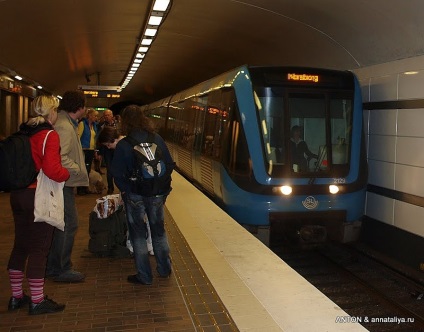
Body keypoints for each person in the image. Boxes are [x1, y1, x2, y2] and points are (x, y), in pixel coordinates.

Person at [7, 95, 69, 315]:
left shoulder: (23, 131)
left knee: (21, 245)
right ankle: (37, 300)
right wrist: (66, 173)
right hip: (38, 196)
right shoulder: (49, 135)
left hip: (18, 194)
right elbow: (52, 170)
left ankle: (16, 297)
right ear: (52, 111)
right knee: (39, 249)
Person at [110, 105, 173, 285]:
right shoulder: (157, 139)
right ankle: (164, 268)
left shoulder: (124, 144)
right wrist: (159, 186)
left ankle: (145, 276)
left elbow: (116, 172)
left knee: (138, 234)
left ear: (124, 122)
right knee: (158, 232)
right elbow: (169, 165)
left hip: (135, 195)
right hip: (156, 195)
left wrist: (125, 189)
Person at [46, 90, 89, 283]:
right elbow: (60, 158)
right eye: (84, 106)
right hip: (62, 182)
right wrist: (78, 170)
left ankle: (55, 265)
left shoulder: (67, 123)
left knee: (63, 224)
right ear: (79, 108)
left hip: (64, 182)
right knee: (69, 224)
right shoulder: (64, 126)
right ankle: (60, 268)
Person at [97, 126, 154, 256]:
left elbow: (119, 173)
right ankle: (151, 246)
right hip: (148, 188)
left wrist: (124, 191)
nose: (108, 148)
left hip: (134, 191)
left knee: (135, 222)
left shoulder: (122, 147)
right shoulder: (133, 141)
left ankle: (135, 248)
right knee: (150, 219)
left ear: (112, 140)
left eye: (108, 145)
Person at [77, 108, 99, 195]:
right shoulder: (82, 124)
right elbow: (78, 136)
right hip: (84, 150)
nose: (96, 117)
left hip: (91, 150)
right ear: (89, 116)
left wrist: (95, 150)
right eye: (95, 116)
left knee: (88, 169)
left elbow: (94, 138)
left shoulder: (94, 126)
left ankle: (85, 187)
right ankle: (80, 189)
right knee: (83, 170)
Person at [98, 109, 117, 194]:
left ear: (112, 116)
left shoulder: (118, 125)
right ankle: (110, 187)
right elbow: (99, 139)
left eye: (108, 115)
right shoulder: (101, 126)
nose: (106, 117)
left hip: (117, 150)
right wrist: (99, 152)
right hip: (107, 150)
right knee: (109, 169)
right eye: (105, 115)